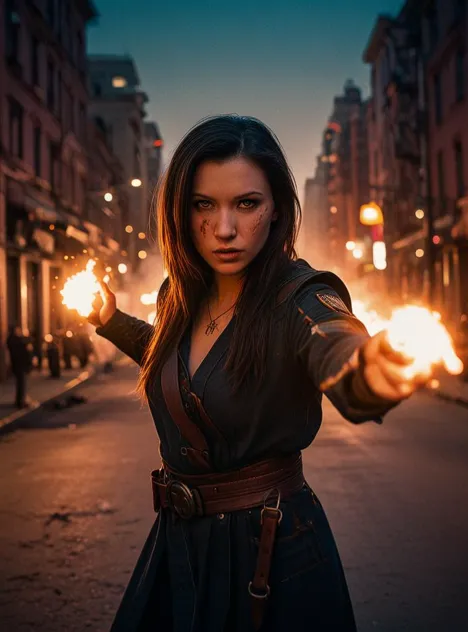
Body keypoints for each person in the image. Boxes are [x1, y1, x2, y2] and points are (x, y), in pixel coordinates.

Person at [88, 115, 433, 632]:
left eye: (246, 203)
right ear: (181, 211)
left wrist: (375, 371)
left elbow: (335, 345)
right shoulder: (179, 296)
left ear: (275, 211)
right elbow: (179, 370)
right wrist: (109, 320)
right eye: (204, 204)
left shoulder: (301, 294)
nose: (224, 229)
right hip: (179, 542)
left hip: (271, 549)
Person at [6, 325, 31, 409]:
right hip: (19, 365)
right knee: (21, 383)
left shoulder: (15, 340)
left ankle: (20, 400)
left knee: (21, 383)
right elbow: (21, 352)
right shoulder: (15, 340)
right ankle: (20, 401)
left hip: (20, 364)